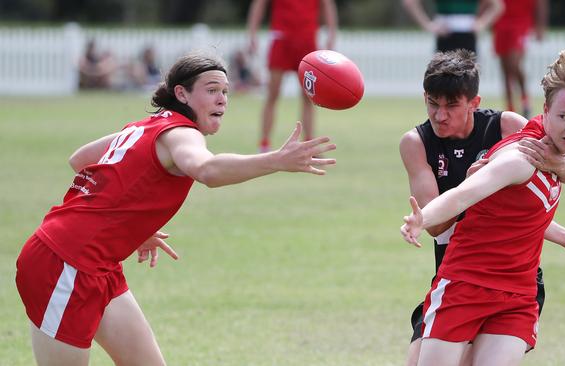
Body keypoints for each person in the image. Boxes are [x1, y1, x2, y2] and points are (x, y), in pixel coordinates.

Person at [15, 50, 336, 366]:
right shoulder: (182, 134)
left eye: (225, 91)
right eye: (211, 91)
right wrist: (275, 160)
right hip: (64, 262)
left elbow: (81, 159)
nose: (222, 99)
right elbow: (207, 171)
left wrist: (131, 224)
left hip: (97, 264)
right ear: (181, 93)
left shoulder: (149, 126)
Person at [401, 49, 565, 366]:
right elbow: (464, 194)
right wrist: (423, 218)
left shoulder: (532, 141)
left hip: (518, 291)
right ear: (545, 111)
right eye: (564, 117)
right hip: (467, 283)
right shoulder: (519, 155)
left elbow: (513, 212)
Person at [247, 0, 338, 152]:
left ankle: (309, 144)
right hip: (282, 37)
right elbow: (260, 4)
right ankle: (264, 144)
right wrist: (252, 32)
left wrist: (332, 33)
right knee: (272, 94)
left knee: (309, 96)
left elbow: (327, 5)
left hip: (307, 38)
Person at [492, 0, 548, 118]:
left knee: (514, 64)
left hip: (521, 23)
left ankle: (525, 99)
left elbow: (541, 4)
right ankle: (510, 107)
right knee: (505, 69)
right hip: (501, 24)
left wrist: (540, 26)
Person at [401, 0, 504, 54]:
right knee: (450, 82)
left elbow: (497, 6)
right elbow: (410, 2)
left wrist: (481, 23)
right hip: (447, 33)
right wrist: (428, 25)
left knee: (464, 81)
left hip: (466, 34)